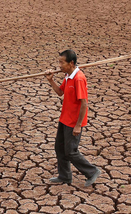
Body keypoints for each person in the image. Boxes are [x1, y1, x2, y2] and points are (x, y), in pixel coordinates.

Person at [44, 50, 101, 187]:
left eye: (61, 62)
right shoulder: (68, 76)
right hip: (65, 118)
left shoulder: (78, 78)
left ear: (71, 63)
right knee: (60, 148)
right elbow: (60, 92)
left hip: (73, 122)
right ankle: (65, 176)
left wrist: (78, 125)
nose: (59, 65)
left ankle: (92, 171)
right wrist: (51, 80)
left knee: (71, 152)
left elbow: (84, 103)